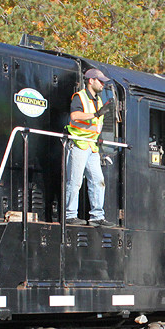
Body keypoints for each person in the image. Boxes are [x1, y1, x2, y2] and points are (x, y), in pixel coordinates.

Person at [65, 68, 115, 227]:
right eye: (100, 81)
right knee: (75, 181)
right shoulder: (79, 97)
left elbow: (97, 124)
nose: (102, 84)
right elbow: (75, 116)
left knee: (98, 181)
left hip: (92, 146)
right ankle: (69, 215)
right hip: (79, 144)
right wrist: (96, 114)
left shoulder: (98, 100)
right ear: (91, 80)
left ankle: (97, 216)